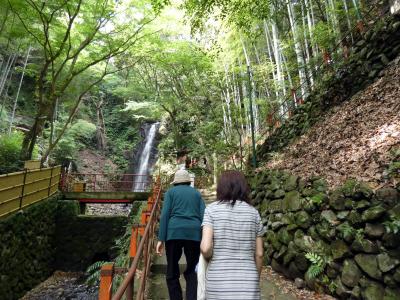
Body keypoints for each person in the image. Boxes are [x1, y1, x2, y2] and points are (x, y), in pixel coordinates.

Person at [200, 170, 265, 300]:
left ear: (221, 187)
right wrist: (254, 278)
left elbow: (205, 248)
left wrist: (211, 256)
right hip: (248, 282)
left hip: (217, 282)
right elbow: (259, 254)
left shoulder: (211, 210)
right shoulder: (254, 213)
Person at [156, 169, 206, 300]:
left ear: (175, 182)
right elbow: (204, 216)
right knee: (192, 269)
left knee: (172, 269)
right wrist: (205, 237)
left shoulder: (170, 192)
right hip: (194, 234)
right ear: (188, 181)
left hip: (174, 233)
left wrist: (161, 238)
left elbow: (165, 214)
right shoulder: (196, 194)